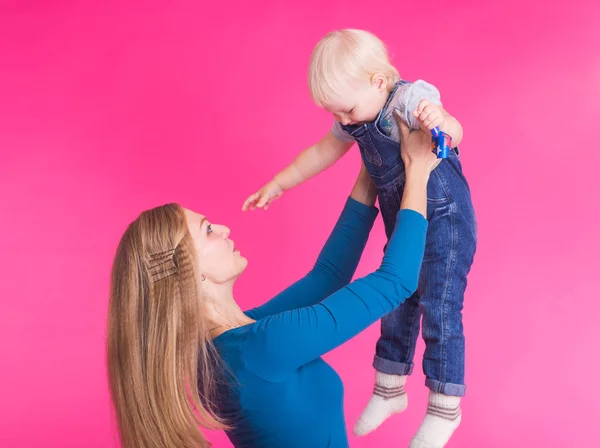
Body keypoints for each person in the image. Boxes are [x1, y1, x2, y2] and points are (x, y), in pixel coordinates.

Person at [107, 118, 437, 448]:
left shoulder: (228, 347)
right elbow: (396, 280)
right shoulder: (258, 348)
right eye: (207, 230)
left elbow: (328, 276)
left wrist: (373, 160)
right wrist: (418, 166)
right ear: (192, 273)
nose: (223, 229)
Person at [243, 29, 477, 447]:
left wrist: (440, 123)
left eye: (347, 110)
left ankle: (445, 405)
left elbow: (454, 131)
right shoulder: (355, 117)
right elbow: (321, 153)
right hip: (406, 220)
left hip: (446, 218)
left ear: (378, 82)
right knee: (399, 301)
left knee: (439, 307)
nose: (345, 122)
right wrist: (280, 183)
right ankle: (390, 388)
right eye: (337, 115)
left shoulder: (407, 99)